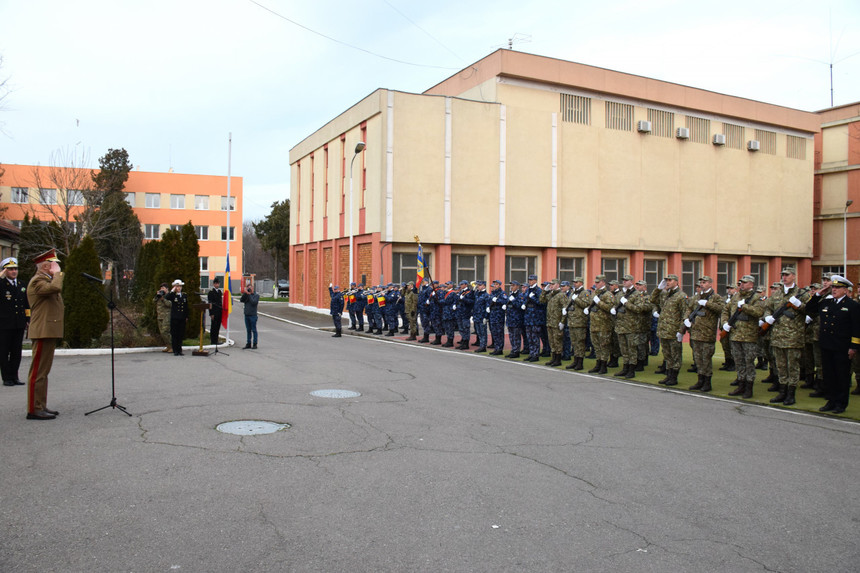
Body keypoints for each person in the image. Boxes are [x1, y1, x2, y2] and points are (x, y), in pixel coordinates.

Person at [804, 275, 860, 414]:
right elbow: (809, 308)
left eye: (838, 287)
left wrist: (854, 346)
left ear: (845, 290)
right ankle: (831, 400)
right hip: (827, 345)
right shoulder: (826, 303)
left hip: (842, 346)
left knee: (841, 376)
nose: (834, 290)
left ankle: (841, 403)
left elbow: (856, 328)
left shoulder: (852, 305)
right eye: (833, 287)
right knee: (829, 375)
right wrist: (818, 294)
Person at [762, 266, 811, 406]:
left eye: (787, 275)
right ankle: (782, 392)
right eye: (783, 275)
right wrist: (767, 318)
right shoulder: (777, 294)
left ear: (794, 276)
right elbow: (767, 307)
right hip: (777, 337)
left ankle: (791, 394)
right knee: (781, 366)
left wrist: (800, 305)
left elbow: (811, 312)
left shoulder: (802, 294)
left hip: (793, 338)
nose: (784, 277)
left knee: (793, 367)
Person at [25, 249, 64, 420]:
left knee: (43, 372)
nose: (57, 266)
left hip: (48, 330)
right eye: (54, 264)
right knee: (38, 372)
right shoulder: (37, 281)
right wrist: (58, 274)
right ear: (46, 266)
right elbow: (55, 287)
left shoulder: (45, 280)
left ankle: (40, 405)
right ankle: (34, 409)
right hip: (42, 331)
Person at [722, 275, 765, 399]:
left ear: (751, 284)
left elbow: (759, 312)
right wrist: (724, 323)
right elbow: (726, 310)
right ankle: (740, 385)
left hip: (749, 336)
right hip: (735, 334)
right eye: (741, 283)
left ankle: (749, 388)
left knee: (749, 362)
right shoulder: (736, 296)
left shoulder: (756, 298)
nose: (742, 285)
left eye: (745, 283)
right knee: (739, 361)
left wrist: (744, 306)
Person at [686, 276, 726, 392]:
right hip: (695, 332)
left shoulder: (716, 297)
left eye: (704, 282)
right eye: (701, 283)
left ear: (710, 284)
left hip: (707, 334)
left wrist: (708, 304)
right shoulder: (696, 297)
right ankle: (700, 381)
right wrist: (686, 319)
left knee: (706, 359)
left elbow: (722, 309)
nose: (702, 284)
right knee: (698, 359)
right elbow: (689, 308)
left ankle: (707, 383)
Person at [650, 274, 687, 386]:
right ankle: (668, 375)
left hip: (674, 331)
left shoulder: (681, 296)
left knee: (675, 355)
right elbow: (652, 300)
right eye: (666, 280)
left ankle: (674, 377)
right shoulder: (665, 295)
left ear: (676, 282)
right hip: (664, 330)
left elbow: (685, 314)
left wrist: (681, 331)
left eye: (670, 280)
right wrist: (658, 289)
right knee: (667, 355)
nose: (668, 282)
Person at [0, 257, 29, 386]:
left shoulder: (22, 284)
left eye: (15, 269)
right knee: (4, 351)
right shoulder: (1, 284)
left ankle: (15, 376)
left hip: (19, 323)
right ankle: (6, 377)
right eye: (10, 269)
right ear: (5, 271)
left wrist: (28, 319)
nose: (13, 271)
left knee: (16, 351)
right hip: (4, 324)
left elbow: (26, 304)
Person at [164, 279, 189, 356]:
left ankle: (179, 349)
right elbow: (166, 297)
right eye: (177, 286)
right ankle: (175, 350)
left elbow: (186, 307)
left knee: (180, 334)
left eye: (180, 286)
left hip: (182, 318)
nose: (179, 288)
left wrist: (186, 316)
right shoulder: (173, 295)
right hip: (175, 318)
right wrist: (172, 290)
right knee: (175, 334)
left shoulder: (184, 295)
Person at [239, 283, 260, 348]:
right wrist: (245, 293)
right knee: (248, 330)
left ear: (253, 288)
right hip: (247, 315)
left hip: (253, 315)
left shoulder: (256, 295)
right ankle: (248, 343)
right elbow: (241, 300)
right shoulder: (247, 295)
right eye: (248, 288)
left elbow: (254, 302)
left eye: (250, 288)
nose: (249, 289)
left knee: (254, 330)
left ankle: (255, 343)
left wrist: (249, 294)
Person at [154, 283, 172, 352]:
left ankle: (171, 346)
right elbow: (154, 301)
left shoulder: (169, 295)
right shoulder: (160, 295)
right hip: (160, 316)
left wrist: (163, 299)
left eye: (163, 288)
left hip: (166, 316)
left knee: (165, 331)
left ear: (167, 289)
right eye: (161, 288)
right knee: (162, 332)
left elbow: (170, 304)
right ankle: (168, 346)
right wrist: (157, 295)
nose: (162, 289)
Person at [207, 277, 223, 345]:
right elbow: (210, 303)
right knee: (213, 326)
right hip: (214, 312)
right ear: (213, 284)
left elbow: (220, 302)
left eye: (218, 283)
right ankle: (213, 340)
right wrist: (211, 313)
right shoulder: (211, 292)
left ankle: (216, 339)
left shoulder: (219, 292)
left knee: (218, 326)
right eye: (216, 283)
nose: (217, 285)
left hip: (219, 311)